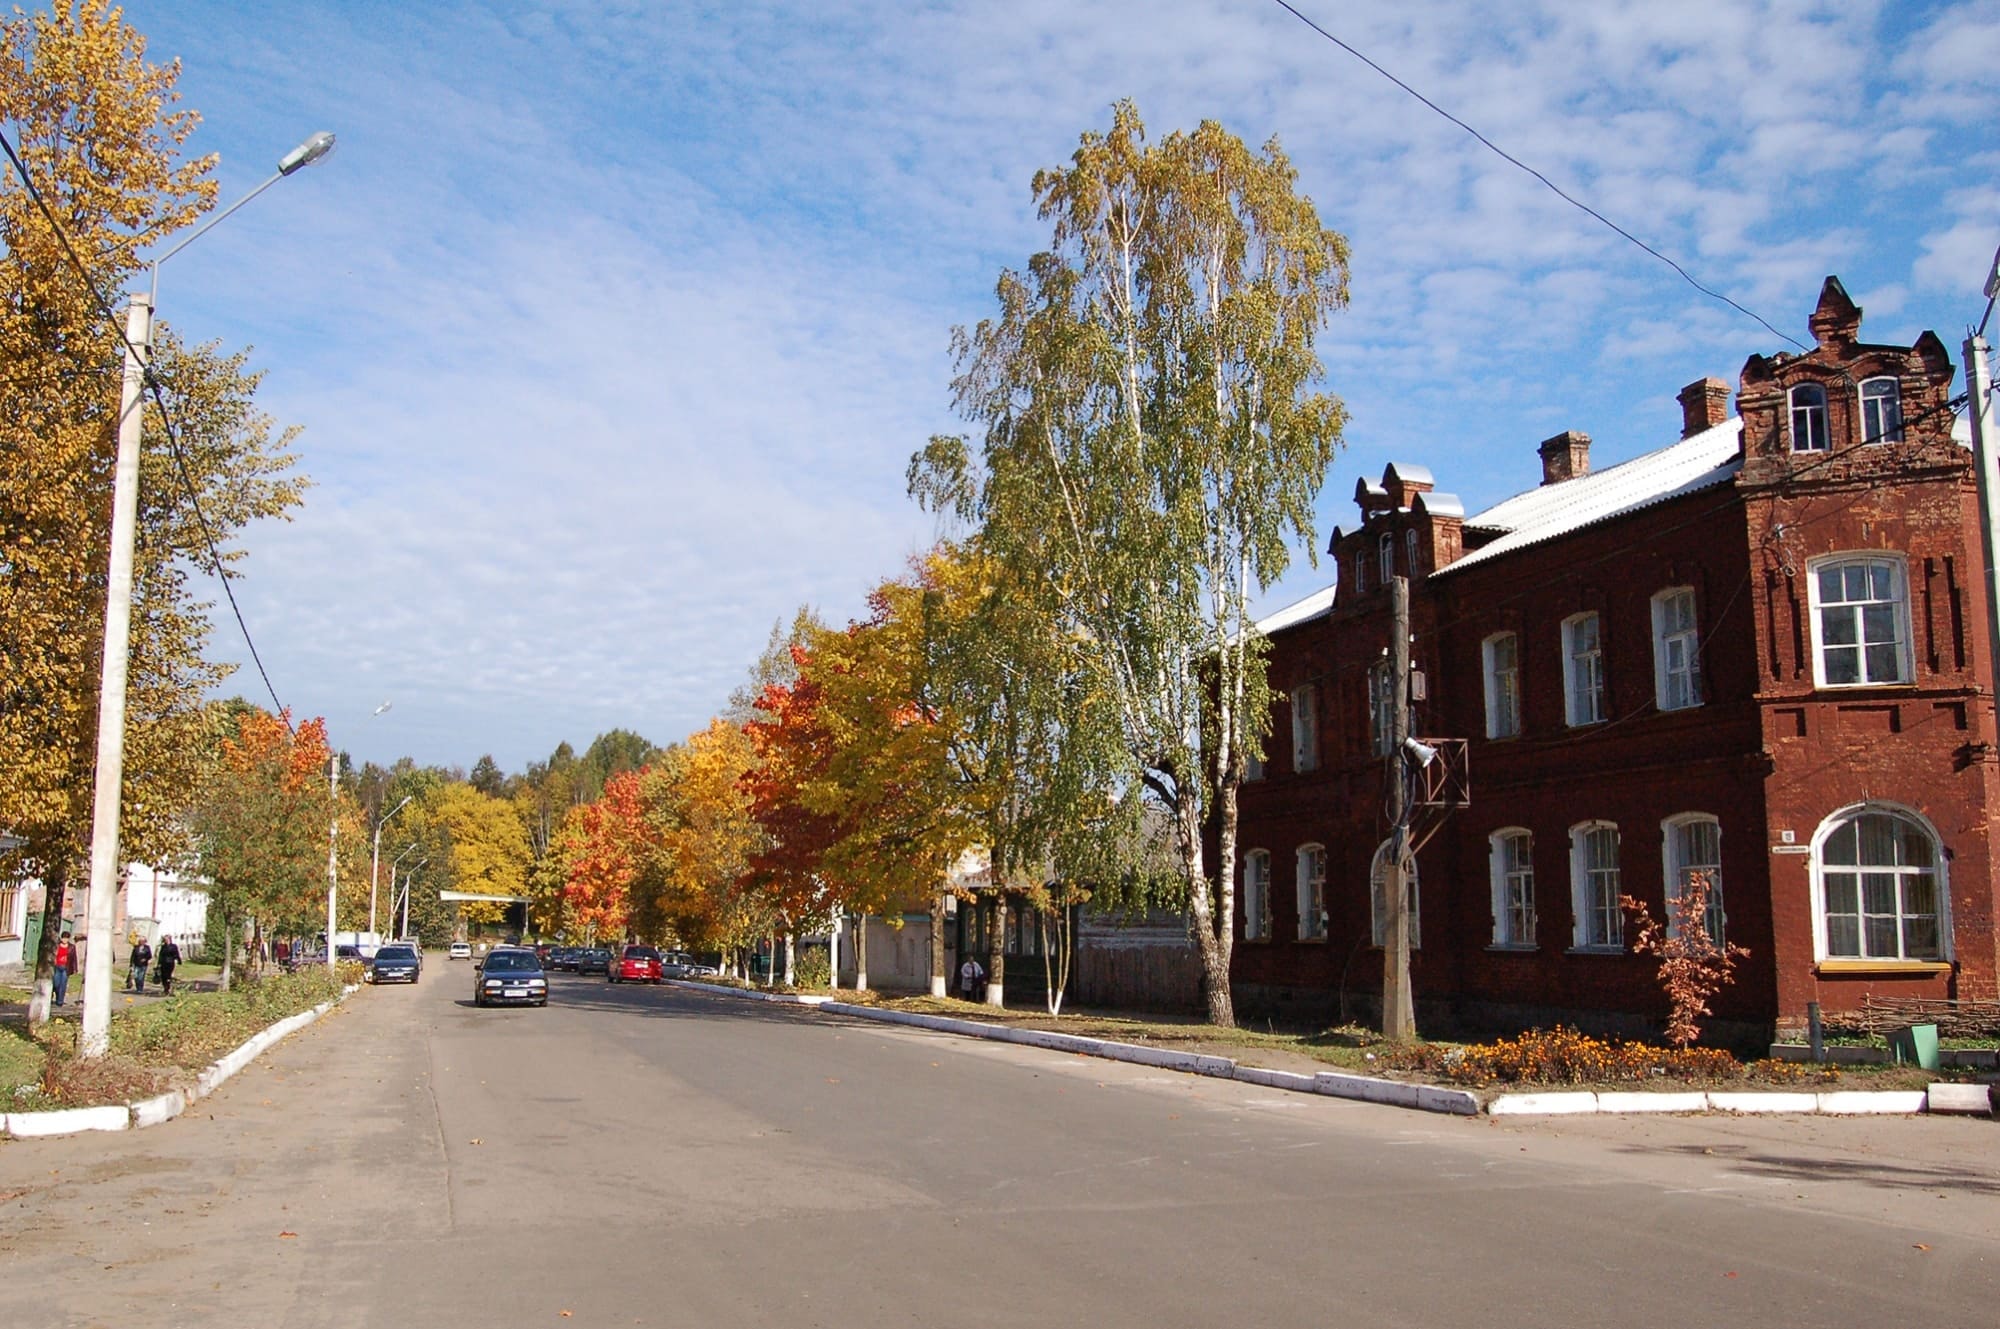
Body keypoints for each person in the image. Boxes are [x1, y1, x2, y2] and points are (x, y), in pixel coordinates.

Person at [51, 931, 76, 1006]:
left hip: (66, 968)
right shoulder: (57, 946)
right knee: (56, 984)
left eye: (66, 938)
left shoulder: (71, 947)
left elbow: (74, 958)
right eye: (63, 938)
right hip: (57, 967)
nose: (65, 940)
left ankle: (59, 1001)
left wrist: (75, 968)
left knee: (63, 985)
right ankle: (57, 995)